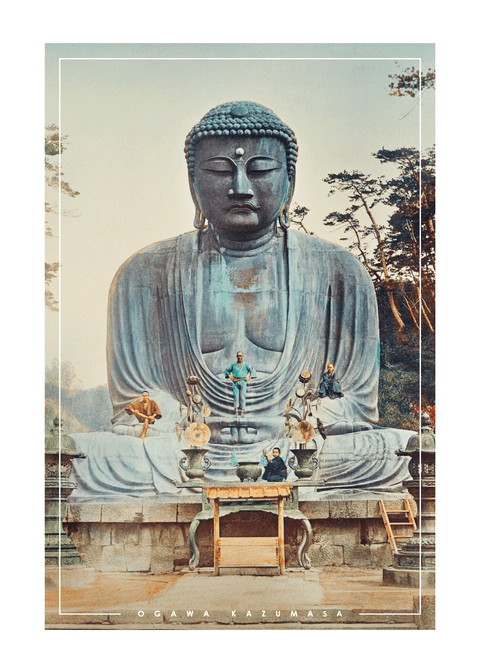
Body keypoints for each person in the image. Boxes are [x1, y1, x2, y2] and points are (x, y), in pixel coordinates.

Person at [68, 100, 413, 502]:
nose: (241, 188)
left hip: (298, 448)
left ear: (290, 180)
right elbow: (134, 404)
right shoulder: (143, 273)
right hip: (183, 450)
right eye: (218, 171)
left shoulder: (339, 270)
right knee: (93, 455)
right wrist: (178, 427)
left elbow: (355, 402)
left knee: (393, 450)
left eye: (262, 170)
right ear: (193, 181)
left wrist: (306, 426)